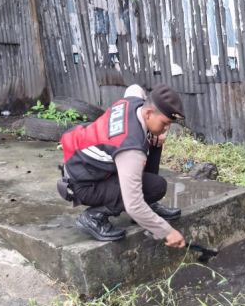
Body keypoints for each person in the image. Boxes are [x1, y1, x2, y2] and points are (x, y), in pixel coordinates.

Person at [57, 84, 187, 249]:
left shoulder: (134, 102)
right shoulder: (130, 148)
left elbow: (134, 88)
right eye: (165, 123)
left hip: (88, 168)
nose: (166, 129)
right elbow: (134, 205)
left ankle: (148, 205)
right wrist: (167, 231)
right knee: (154, 189)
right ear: (148, 113)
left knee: (155, 145)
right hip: (84, 185)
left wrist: (157, 136)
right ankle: (93, 217)